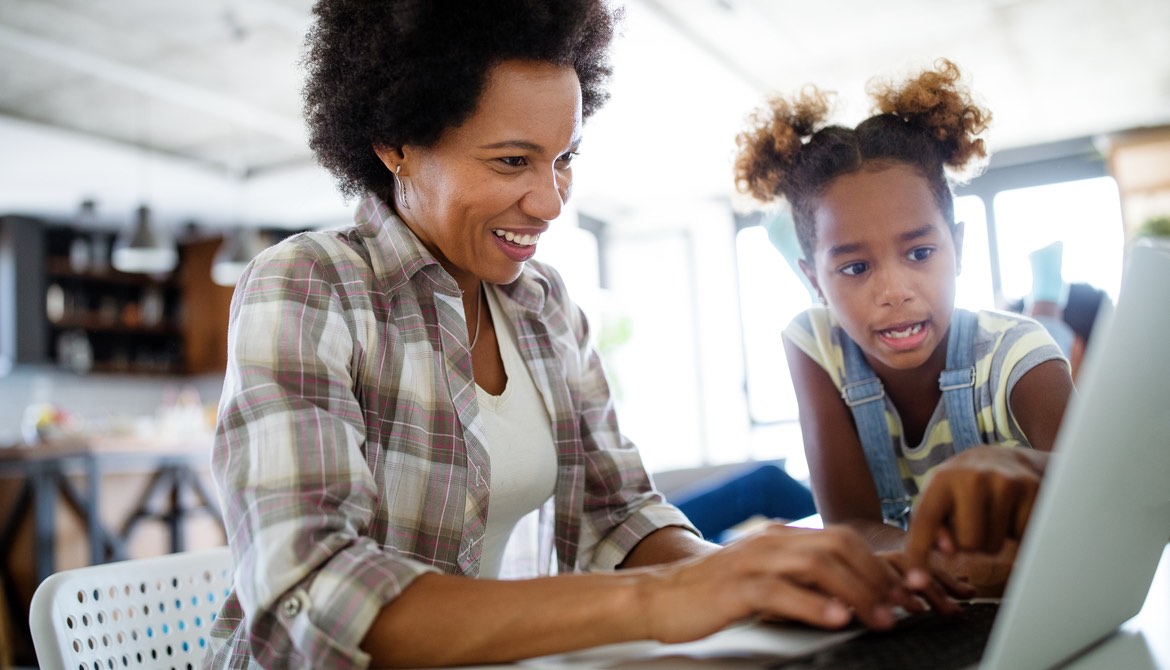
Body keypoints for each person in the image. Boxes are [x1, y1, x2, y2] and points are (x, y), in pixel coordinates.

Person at [204, 3, 961, 668]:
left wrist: (748, 578)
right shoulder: (309, 286)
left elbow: (617, 514)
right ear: (395, 141)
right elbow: (312, 588)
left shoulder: (542, 308)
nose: (550, 200)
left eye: (564, 159)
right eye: (512, 161)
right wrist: (661, 600)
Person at [732, 59, 1076, 594]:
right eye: (854, 268)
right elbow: (849, 525)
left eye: (919, 252)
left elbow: (1102, 496)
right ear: (813, 281)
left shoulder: (1019, 353)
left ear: (957, 248)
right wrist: (935, 563)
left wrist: (1026, 471)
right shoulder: (815, 346)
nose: (894, 290)